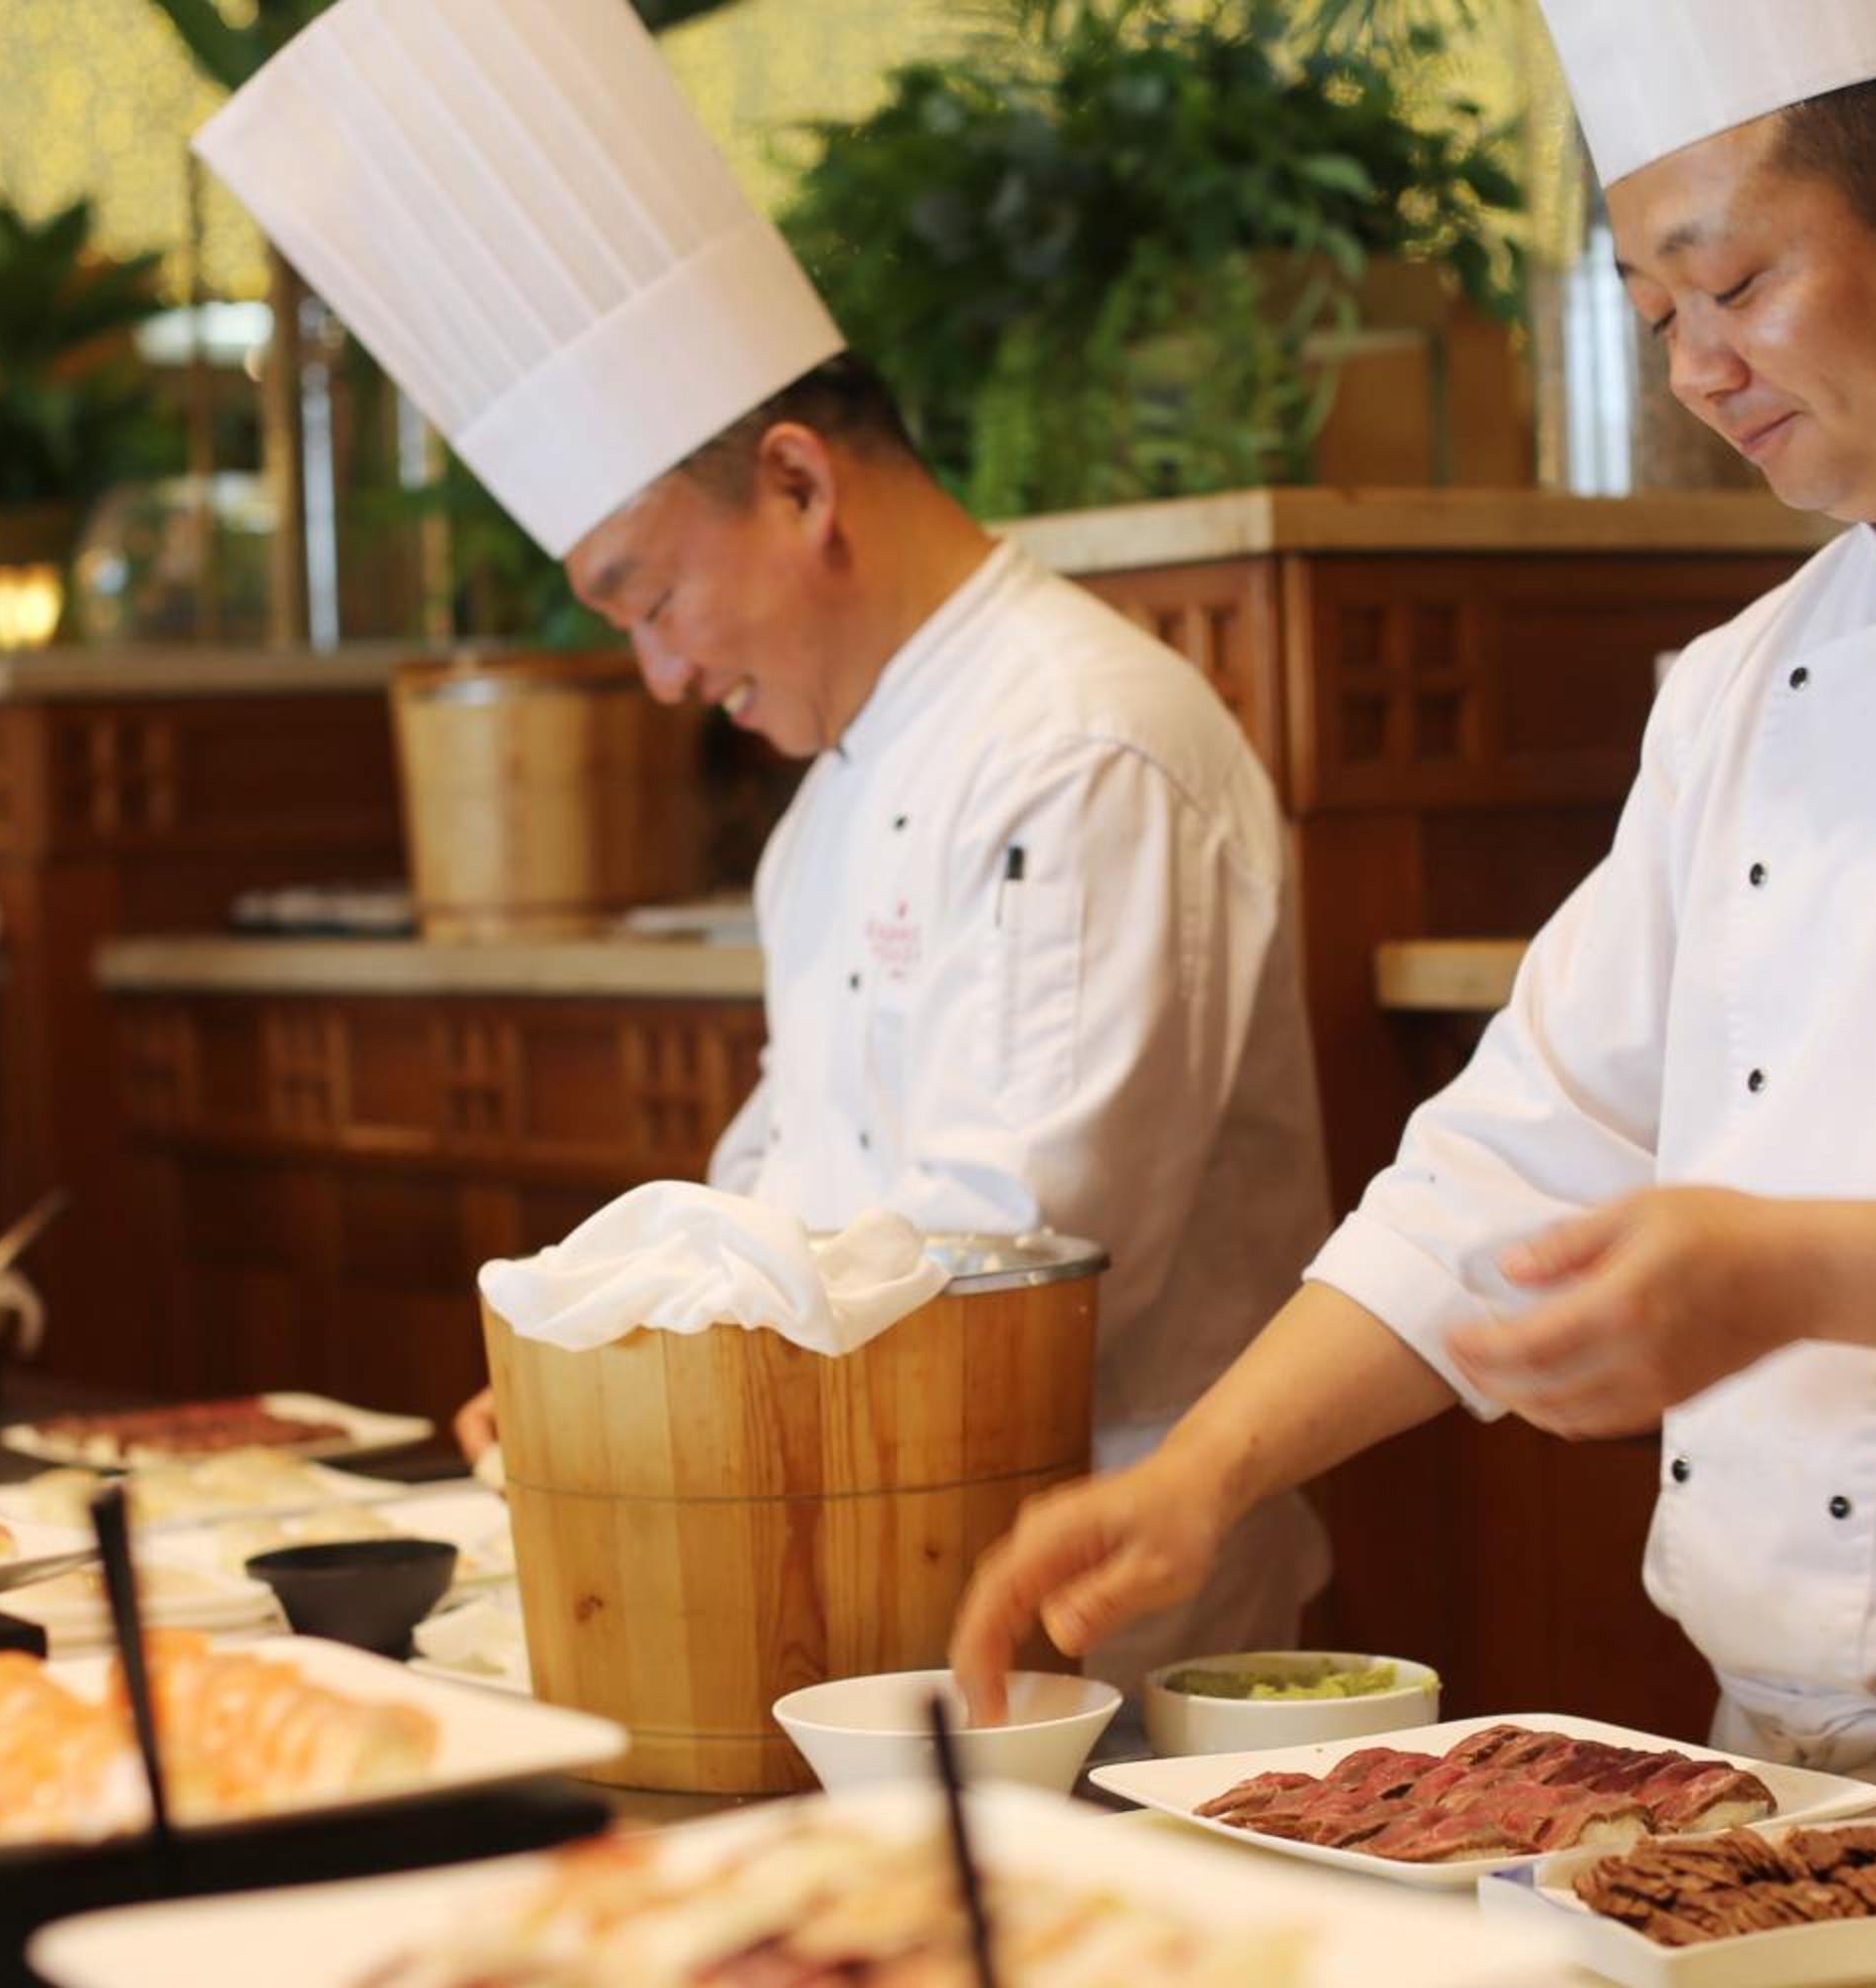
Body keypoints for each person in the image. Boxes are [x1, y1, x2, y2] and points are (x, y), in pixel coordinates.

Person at [953, 0, 1876, 1896]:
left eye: (1731, 285)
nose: (1698, 371)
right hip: (1759, 1780)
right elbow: (1520, 1151)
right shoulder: (1743, 683)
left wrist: (1786, 1268)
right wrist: (1205, 1475)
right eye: (1657, 316)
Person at [199, 0, 1336, 1678]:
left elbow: (1011, 1275)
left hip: (1097, 1634)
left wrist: (651, 1373)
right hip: (854, 1568)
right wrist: (602, 1356)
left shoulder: (1083, 744)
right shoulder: (831, 806)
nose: (662, 676)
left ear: (799, 483)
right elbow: (772, 1188)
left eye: (651, 596)